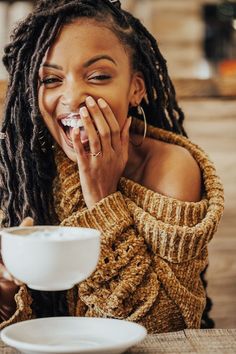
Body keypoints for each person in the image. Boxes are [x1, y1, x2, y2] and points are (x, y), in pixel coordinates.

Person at [0, 0, 224, 333]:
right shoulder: (30, 167)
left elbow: (164, 325)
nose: (73, 96)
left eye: (99, 76)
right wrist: (7, 292)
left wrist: (102, 199)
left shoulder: (170, 168)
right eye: (50, 80)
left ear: (135, 89)